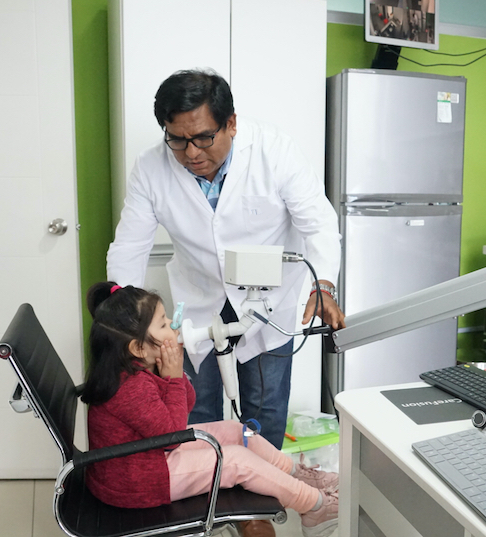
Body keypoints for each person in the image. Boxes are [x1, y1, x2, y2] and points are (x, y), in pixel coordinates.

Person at [107, 69, 345, 449]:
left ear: (231, 123)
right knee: (194, 409)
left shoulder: (274, 150)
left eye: (203, 138)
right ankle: (209, 483)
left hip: (270, 302)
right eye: (177, 140)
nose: (191, 153)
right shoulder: (150, 167)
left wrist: (324, 286)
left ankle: (260, 487)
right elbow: (129, 246)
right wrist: (122, 320)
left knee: (264, 410)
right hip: (199, 298)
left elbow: (320, 224)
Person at [81, 282, 339, 537]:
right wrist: (173, 378)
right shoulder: (130, 387)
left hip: (146, 458)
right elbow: (173, 437)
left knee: (237, 431)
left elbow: (186, 405)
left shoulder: (139, 369)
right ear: (138, 348)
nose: (173, 325)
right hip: (137, 481)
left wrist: (173, 375)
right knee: (236, 460)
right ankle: (315, 506)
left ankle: (297, 475)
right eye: (163, 324)